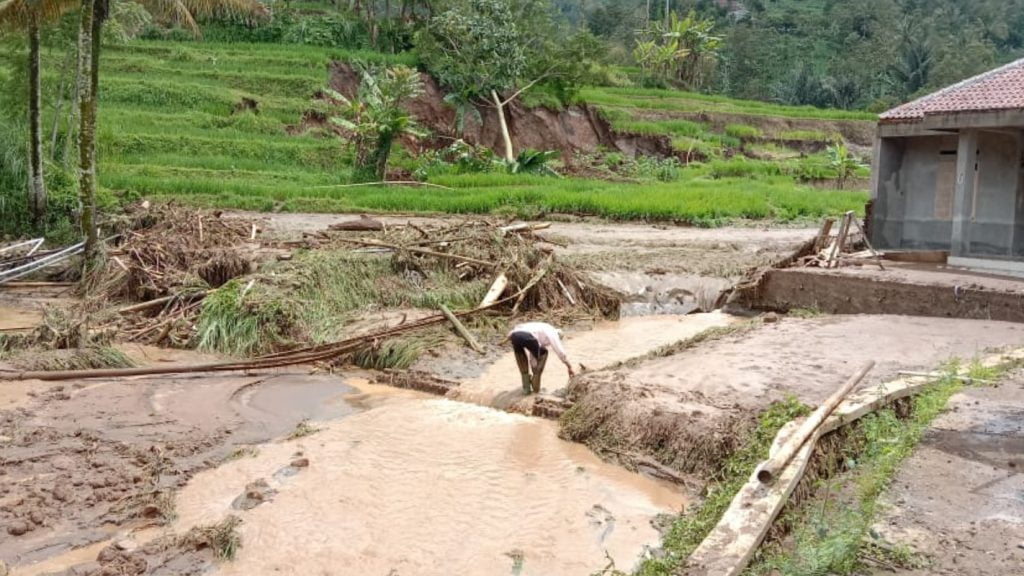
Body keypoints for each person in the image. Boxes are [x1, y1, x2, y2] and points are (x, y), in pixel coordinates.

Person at [504, 322, 575, 395]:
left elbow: (534, 352)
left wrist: (534, 367)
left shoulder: (542, 329)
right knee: (544, 353)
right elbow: (559, 351)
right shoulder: (553, 332)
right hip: (525, 335)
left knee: (523, 360)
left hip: (514, 335)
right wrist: (569, 366)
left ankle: (526, 389)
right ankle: (536, 390)